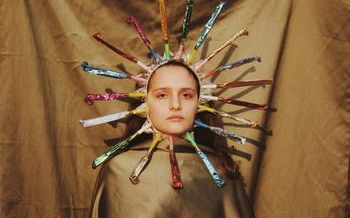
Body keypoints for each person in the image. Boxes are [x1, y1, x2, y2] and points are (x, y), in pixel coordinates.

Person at [89, 61, 255, 217]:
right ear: (144, 102)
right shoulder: (119, 169)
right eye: (162, 95)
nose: (175, 104)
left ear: (200, 102)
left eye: (186, 95)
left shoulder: (221, 171)